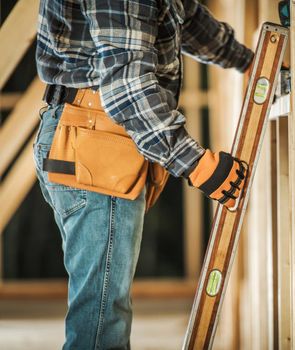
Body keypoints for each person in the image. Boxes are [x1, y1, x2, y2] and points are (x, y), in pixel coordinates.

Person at [33, 0, 253, 348]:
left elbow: (186, 17)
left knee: (102, 308)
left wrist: (252, 61)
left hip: (89, 132)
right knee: (102, 321)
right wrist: (198, 166)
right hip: (96, 137)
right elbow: (127, 91)